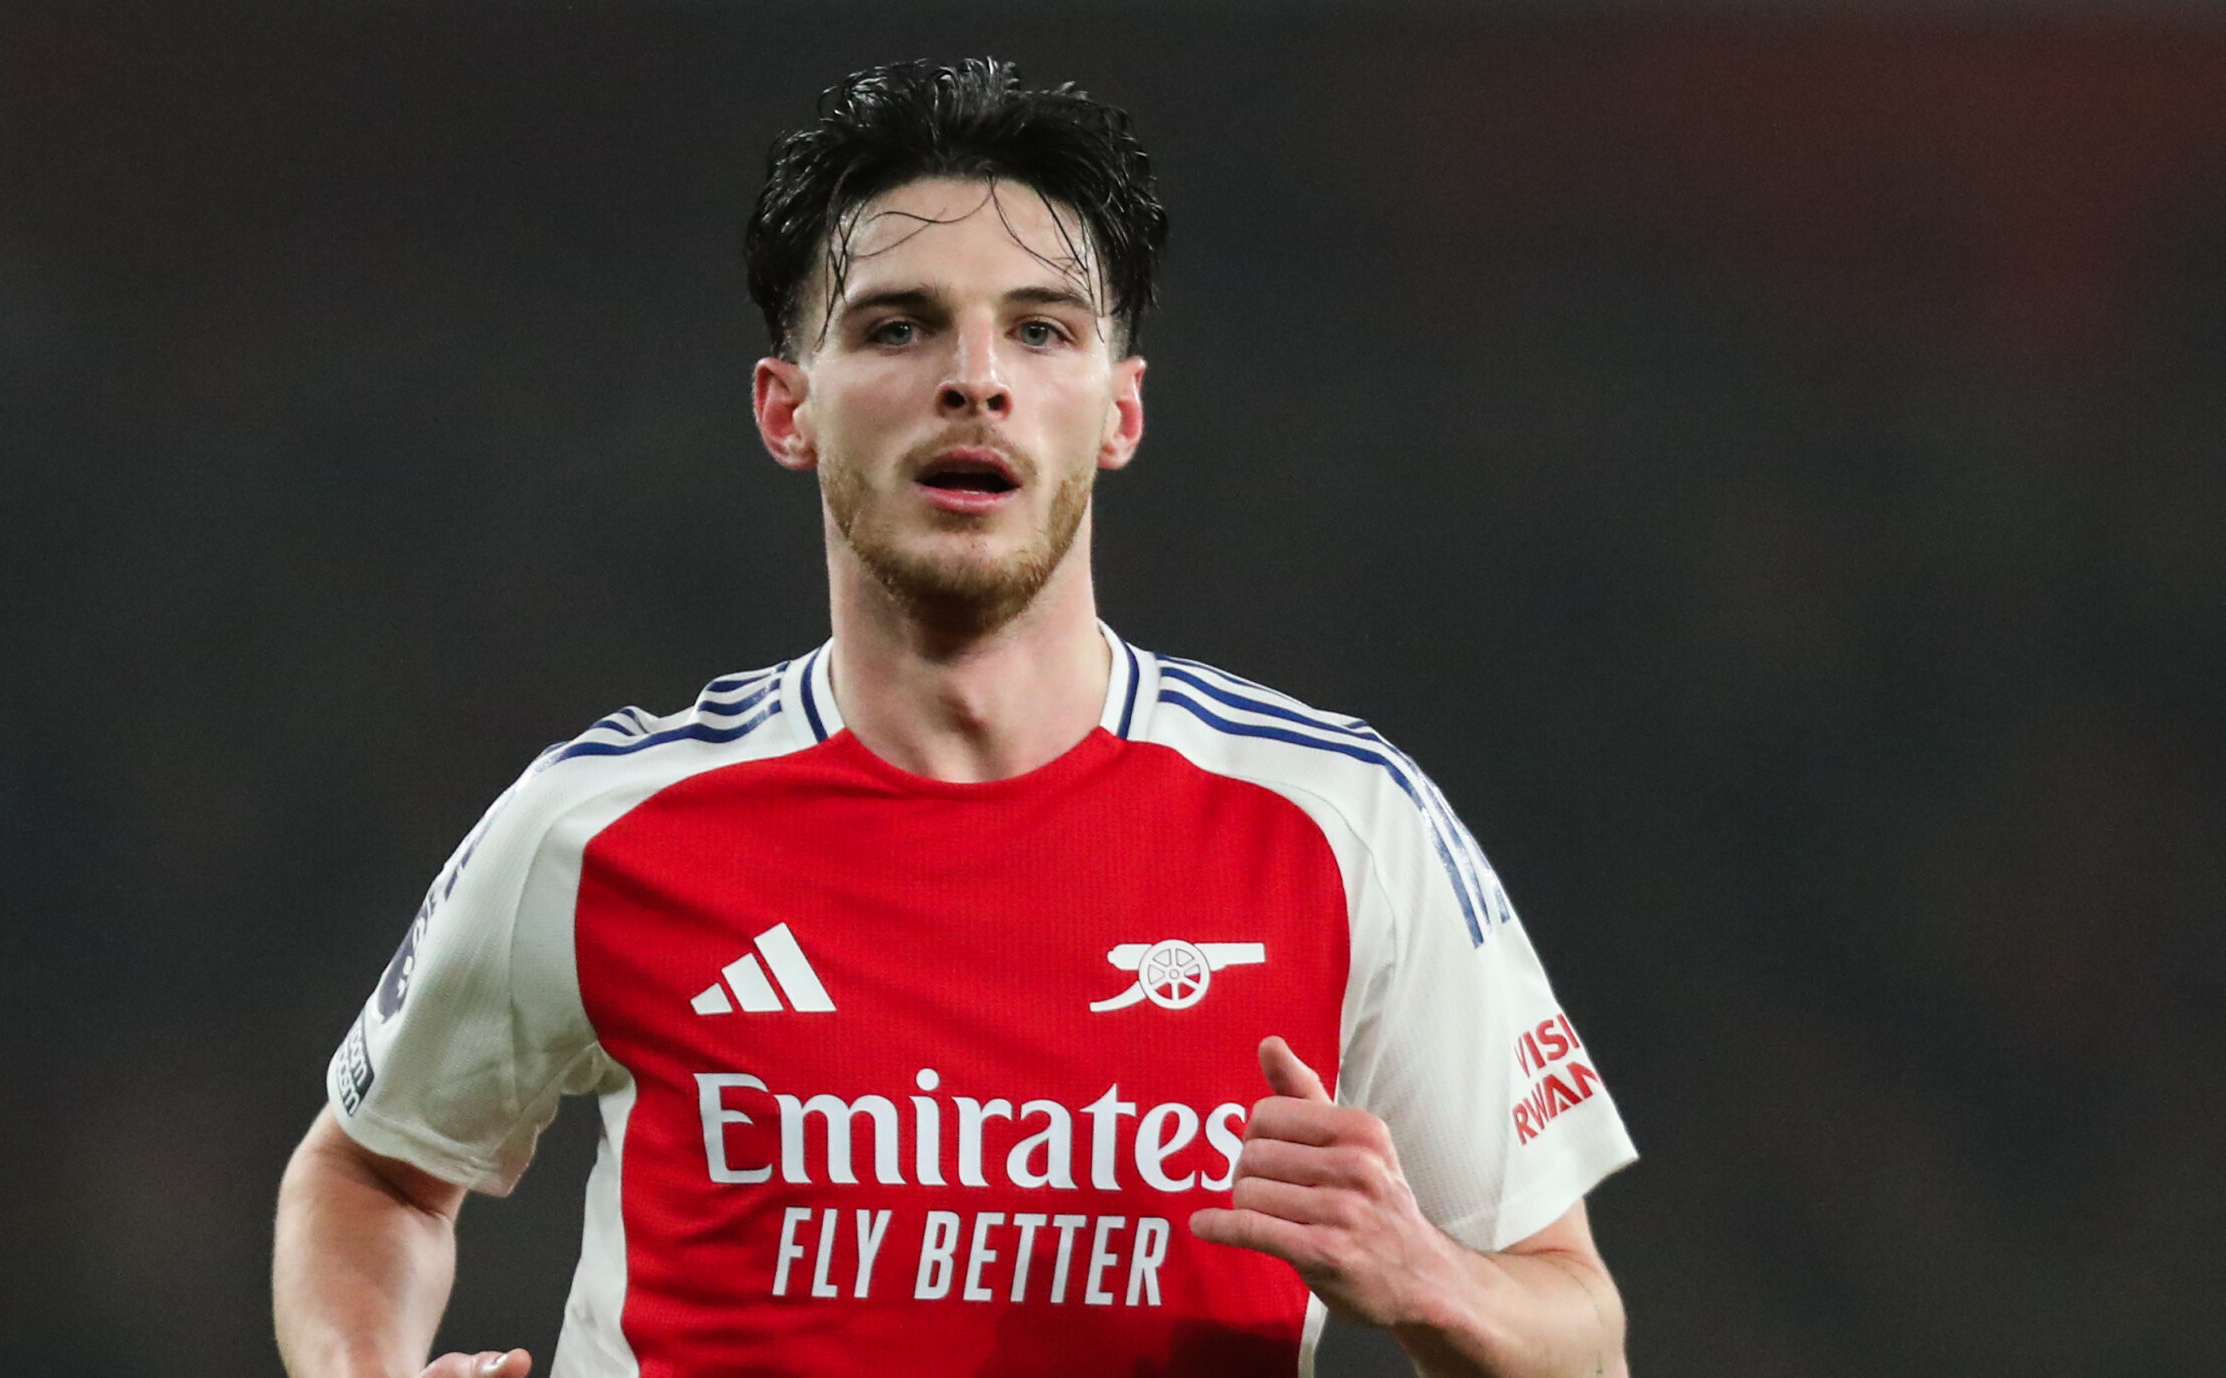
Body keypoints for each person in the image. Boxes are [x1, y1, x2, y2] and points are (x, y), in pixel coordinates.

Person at [272, 57, 1636, 1378]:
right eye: (897, 325)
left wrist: (1427, 1274)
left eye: (1040, 329)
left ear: (1119, 411)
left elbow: (1582, 1334)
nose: (973, 376)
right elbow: (372, 1170)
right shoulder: (600, 824)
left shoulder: (1345, 826)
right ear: (786, 409)